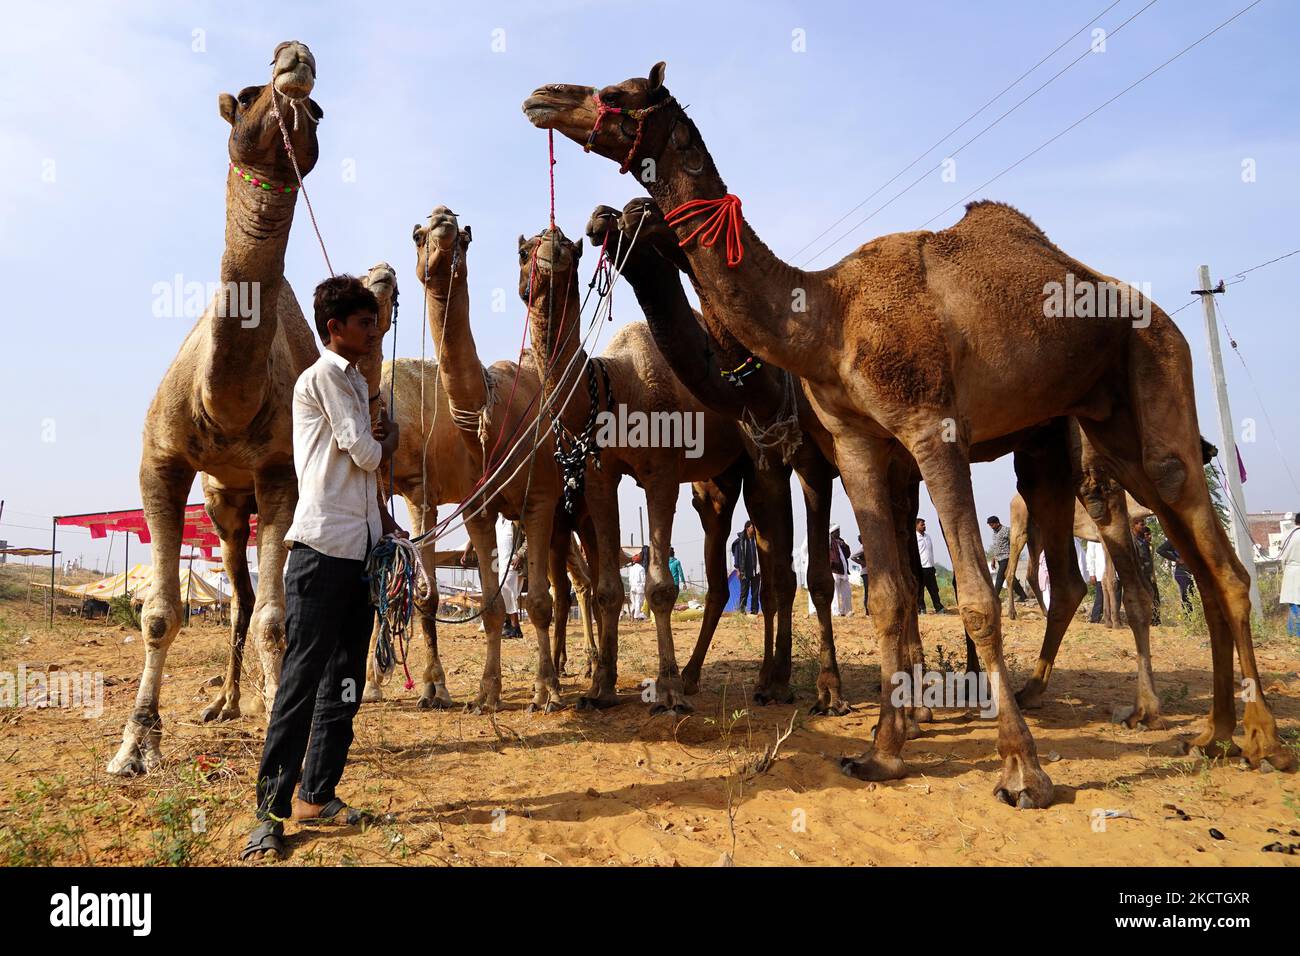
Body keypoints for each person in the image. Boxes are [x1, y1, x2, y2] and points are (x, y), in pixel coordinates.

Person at [242, 275, 405, 862]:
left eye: (375, 320)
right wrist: (382, 438)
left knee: (346, 681)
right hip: (318, 553)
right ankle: (268, 812)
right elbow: (363, 453)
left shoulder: (358, 384)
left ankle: (318, 792)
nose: (374, 329)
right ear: (336, 328)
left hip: (357, 550)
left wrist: (385, 522)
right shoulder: (326, 377)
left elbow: (363, 469)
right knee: (300, 684)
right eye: (365, 322)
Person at [986, 515, 1027, 602]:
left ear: (997, 523)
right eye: (990, 525)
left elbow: (1014, 543)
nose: (991, 527)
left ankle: (994, 597)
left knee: (1000, 577)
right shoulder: (995, 533)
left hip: (1007, 557)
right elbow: (995, 547)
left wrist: (1014, 556)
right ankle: (1023, 595)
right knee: (1011, 577)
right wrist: (993, 560)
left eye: (992, 525)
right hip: (999, 559)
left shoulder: (1006, 530)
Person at [495, 515, 523, 638]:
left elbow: (527, 537)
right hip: (501, 563)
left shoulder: (515, 520)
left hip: (513, 563)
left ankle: (516, 627)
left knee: (508, 591)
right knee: (503, 593)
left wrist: (520, 555)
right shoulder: (497, 521)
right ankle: (507, 625)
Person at [1132, 517, 1160, 625]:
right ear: (1134, 525)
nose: (1143, 527)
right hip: (1140, 574)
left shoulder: (1143, 540)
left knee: (1154, 596)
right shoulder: (1133, 540)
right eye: (1141, 524)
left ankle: (1155, 620)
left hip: (1148, 573)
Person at [1156, 537, 1195, 613]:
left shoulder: (1191, 539)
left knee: (1191, 594)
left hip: (1190, 572)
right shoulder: (1175, 540)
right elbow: (1160, 550)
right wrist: (1177, 559)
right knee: (1186, 595)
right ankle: (1188, 619)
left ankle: (1192, 618)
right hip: (1182, 572)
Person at [916, 518, 944, 613]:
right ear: (916, 526)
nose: (924, 526)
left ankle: (938, 607)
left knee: (934, 589)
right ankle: (921, 609)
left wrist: (932, 565)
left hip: (930, 567)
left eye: (924, 524)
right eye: (922, 525)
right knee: (920, 591)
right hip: (920, 568)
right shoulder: (915, 538)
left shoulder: (928, 537)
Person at [731, 520, 760, 614]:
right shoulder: (740, 541)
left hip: (755, 571)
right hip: (744, 571)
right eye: (752, 527)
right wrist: (738, 570)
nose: (754, 529)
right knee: (744, 592)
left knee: (755, 592)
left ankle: (754, 611)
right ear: (747, 528)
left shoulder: (757, 540)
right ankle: (742, 611)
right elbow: (737, 556)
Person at [1279, 512, 1300, 637]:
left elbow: (1283, 558)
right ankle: (1295, 634)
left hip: (1290, 571)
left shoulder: (1287, 535)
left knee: (1294, 603)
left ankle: (1293, 634)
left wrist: (1284, 571)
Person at [829, 524, 852, 616]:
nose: (839, 532)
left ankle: (846, 610)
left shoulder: (841, 541)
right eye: (837, 531)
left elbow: (847, 554)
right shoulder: (829, 541)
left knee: (847, 593)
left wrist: (844, 545)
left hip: (844, 571)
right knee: (835, 593)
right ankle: (836, 612)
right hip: (834, 571)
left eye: (839, 531)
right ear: (832, 533)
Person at [1084, 539, 1107, 623]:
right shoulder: (1093, 540)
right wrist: (1092, 573)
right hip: (1100, 573)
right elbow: (1090, 557)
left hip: (1114, 575)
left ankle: (1111, 618)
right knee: (1100, 598)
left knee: (1115, 598)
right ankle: (1095, 618)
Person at [852, 534, 870, 616]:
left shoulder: (867, 547)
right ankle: (867, 610)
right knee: (867, 591)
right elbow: (853, 557)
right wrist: (862, 563)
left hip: (868, 572)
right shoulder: (863, 548)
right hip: (865, 572)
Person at [626, 553, 647, 620]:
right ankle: (636, 616)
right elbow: (643, 579)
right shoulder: (641, 569)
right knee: (639, 602)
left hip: (632, 587)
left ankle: (632, 616)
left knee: (634, 602)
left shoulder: (631, 569)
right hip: (639, 588)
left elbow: (629, 579)